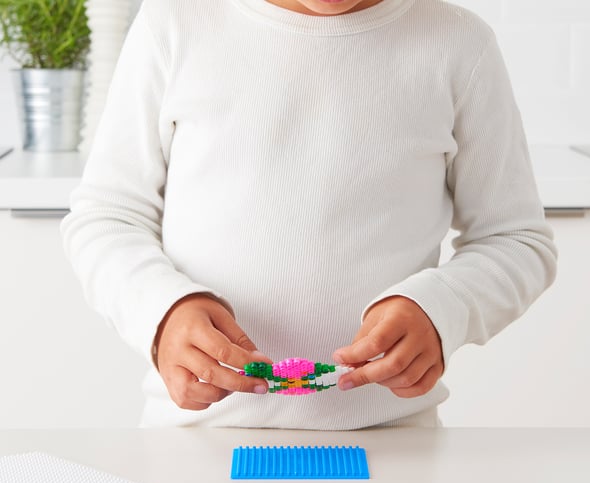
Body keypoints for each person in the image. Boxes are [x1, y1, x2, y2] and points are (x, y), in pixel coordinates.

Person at [61, 0, 557, 429]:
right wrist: (164, 310)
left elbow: (516, 239)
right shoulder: (175, 23)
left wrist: (441, 306)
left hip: (392, 442)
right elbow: (107, 218)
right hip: (199, 438)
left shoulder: (458, 45)